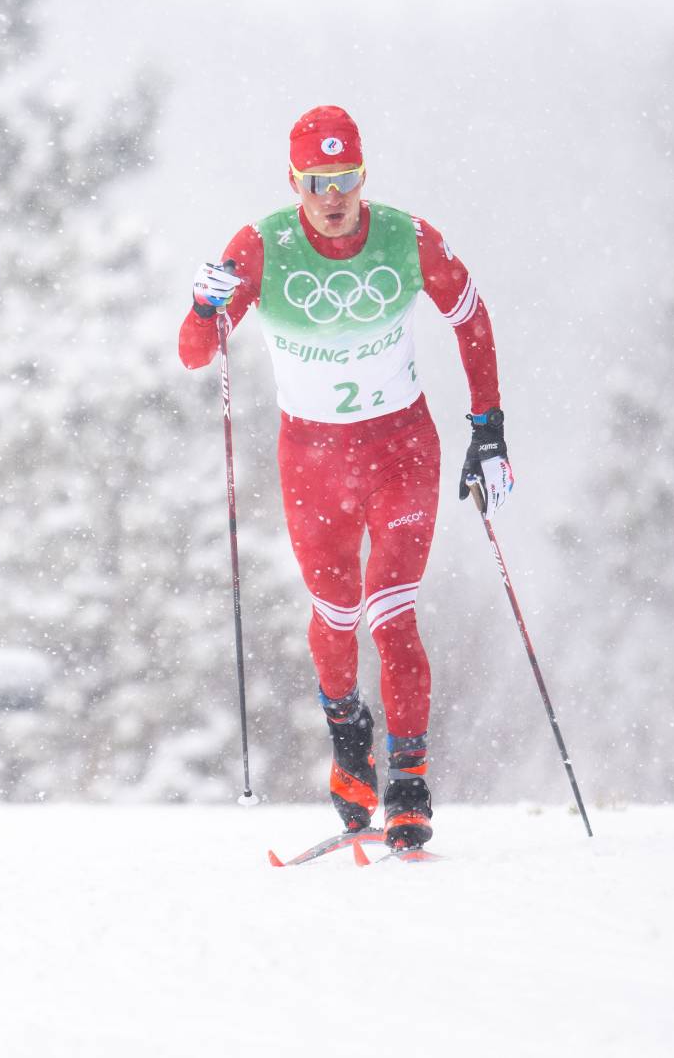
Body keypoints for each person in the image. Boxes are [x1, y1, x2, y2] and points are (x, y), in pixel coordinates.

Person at [178, 105, 512, 850]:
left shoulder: (406, 237)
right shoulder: (261, 247)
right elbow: (196, 352)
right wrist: (204, 306)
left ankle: (410, 782)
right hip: (314, 462)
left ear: (366, 175)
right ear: (294, 181)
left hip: (402, 451)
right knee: (334, 618)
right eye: (318, 180)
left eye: (348, 177)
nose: (335, 195)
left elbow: (471, 315)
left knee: (393, 614)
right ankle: (348, 736)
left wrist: (487, 426)